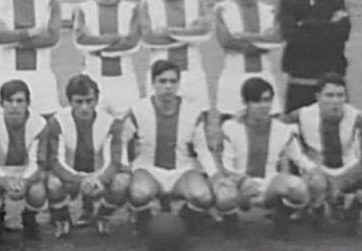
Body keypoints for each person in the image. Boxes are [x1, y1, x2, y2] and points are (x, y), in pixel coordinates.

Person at [214, 78, 316, 235]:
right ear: (245, 103)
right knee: (223, 194)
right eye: (256, 101)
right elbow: (226, 165)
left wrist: (316, 172)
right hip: (241, 185)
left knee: (298, 188)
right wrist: (242, 180)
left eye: (267, 100)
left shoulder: (283, 130)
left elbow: (300, 159)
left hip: (269, 185)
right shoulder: (230, 128)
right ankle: (230, 218)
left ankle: (282, 214)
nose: (263, 106)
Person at [126, 60, 219, 233]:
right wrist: (125, 169)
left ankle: (185, 218)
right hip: (148, 169)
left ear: (178, 83)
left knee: (203, 196)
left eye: (173, 81)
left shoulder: (192, 111)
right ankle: (143, 217)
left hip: (182, 170)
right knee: (138, 194)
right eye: (162, 81)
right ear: (153, 83)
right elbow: (123, 142)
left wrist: (215, 176)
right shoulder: (139, 110)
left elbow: (203, 150)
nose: (168, 86)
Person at [45, 75, 132, 237]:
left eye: (89, 101)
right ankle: (62, 219)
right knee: (53, 183)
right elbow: (56, 161)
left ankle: (103, 216)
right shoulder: (57, 122)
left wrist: (99, 179)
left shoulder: (110, 123)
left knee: (122, 181)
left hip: (98, 175)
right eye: (78, 102)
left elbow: (114, 161)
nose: (84, 107)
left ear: (97, 100)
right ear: (70, 101)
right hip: (71, 174)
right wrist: (80, 179)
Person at [282, 73, 362, 233]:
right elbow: (275, 128)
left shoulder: (356, 116)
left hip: (348, 171)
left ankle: (352, 206)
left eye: (340, 95)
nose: (335, 101)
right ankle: (314, 208)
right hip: (317, 171)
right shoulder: (302, 114)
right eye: (329, 95)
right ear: (318, 97)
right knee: (311, 178)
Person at [277, 0, 351, 112]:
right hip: (299, 79)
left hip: (332, 79)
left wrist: (305, 24)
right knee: (297, 129)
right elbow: (292, 36)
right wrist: (327, 25)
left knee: (336, 130)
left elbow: (342, 34)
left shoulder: (334, 0)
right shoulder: (287, 1)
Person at [0, 79, 49, 242]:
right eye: (9, 101)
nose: (14, 105)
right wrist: (4, 181)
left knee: (38, 192)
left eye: (19, 101)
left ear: (28, 103)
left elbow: (37, 162)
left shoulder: (39, 124)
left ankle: (29, 218)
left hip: (25, 171)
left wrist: (24, 181)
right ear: (1, 103)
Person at [139, 0, 211, 111]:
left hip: (193, 73)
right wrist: (189, 34)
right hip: (160, 75)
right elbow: (147, 38)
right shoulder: (148, 2)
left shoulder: (196, 0)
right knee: (158, 121)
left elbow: (205, 31)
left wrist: (170, 31)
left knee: (199, 121)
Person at [214, 0, 282, 118]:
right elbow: (227, 42)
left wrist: (245, 36)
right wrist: (261, 41)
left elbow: (276, 39)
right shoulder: (223, 9)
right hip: (233, 76)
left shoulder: (269, 10)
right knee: (230, 128)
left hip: (263, 74)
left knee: (269, 130)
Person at [73, 0, 141, 118]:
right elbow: (81, 41)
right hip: (93, 77)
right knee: (93, 128)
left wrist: (97, 47)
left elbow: (132, 43)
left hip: (124, 80)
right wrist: (116, 38)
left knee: (129, 128)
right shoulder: (83, 9)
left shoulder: (132, 9)